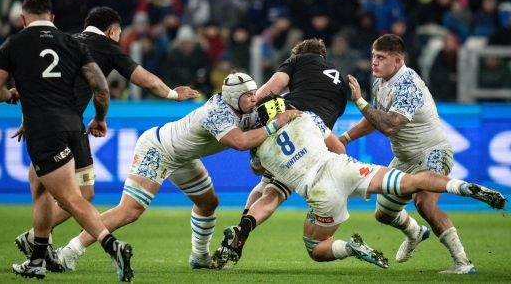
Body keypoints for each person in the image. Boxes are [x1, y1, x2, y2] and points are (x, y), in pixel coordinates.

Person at [210, 93, 506, 270]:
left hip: (320, 191)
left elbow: (256, 171)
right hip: (342, 167)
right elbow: (338, 147)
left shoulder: (258, 150)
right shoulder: (307, 117)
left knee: (315, 247)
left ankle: (350, 248)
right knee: (411, 182)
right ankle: (462, 186)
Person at [55, 71, 302, 271]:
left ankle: (199, 256)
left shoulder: (242, 107)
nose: (254, 99)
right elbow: (240, 143)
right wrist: (276, 124)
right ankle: (69, 252)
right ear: (234, 98)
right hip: (158, 150)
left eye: (254, 94)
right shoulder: (216, 114)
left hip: (182, 156)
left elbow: (262, 115)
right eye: (248, 95)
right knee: (129, 211)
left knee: (208, 203)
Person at [12, 6, 200, 267]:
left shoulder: (65, 41)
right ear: (111, 31)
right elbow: (147, 81)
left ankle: (36, 240)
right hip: (66, 126)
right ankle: (36, 240)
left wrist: (26, 119)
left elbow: (34, 82)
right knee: (74, 193)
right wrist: (173, 95)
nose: (119, 37)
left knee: (65, 190)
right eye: (119, 33)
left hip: (49, 123)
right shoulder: (107, 47)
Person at [0, 0, 133, 281]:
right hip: (71, 125)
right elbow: (100, 87)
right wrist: (100, 118)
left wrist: (9, 96)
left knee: (70, 198)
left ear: (22, 19)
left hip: (43, 130)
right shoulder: (72, 42)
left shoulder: (14, 43)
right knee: (40, 188)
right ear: (52, 18)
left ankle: (112, 245)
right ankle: (38, 257)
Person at [338, 34, 478, 274]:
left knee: (423, 202)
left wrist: (360, 101)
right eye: (373, 56)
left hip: (432, 151)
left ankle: (463, 262)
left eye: (381, 57)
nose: (374, 62)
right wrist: (344, 139)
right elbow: (375, 119)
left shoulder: (408, 83)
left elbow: (390, 125)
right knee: (383, 214)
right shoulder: (381, 82)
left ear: (397, 61)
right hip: (405, 159)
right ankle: (415, 233)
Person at [237, 38, 347, 253]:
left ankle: (242, 228)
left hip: (289, 118)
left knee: (264, 178)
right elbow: (336, 143)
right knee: (275, 189)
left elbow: (268, 93)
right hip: (313, 138)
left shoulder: (298, 60)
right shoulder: (342, 84)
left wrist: (243, 115)